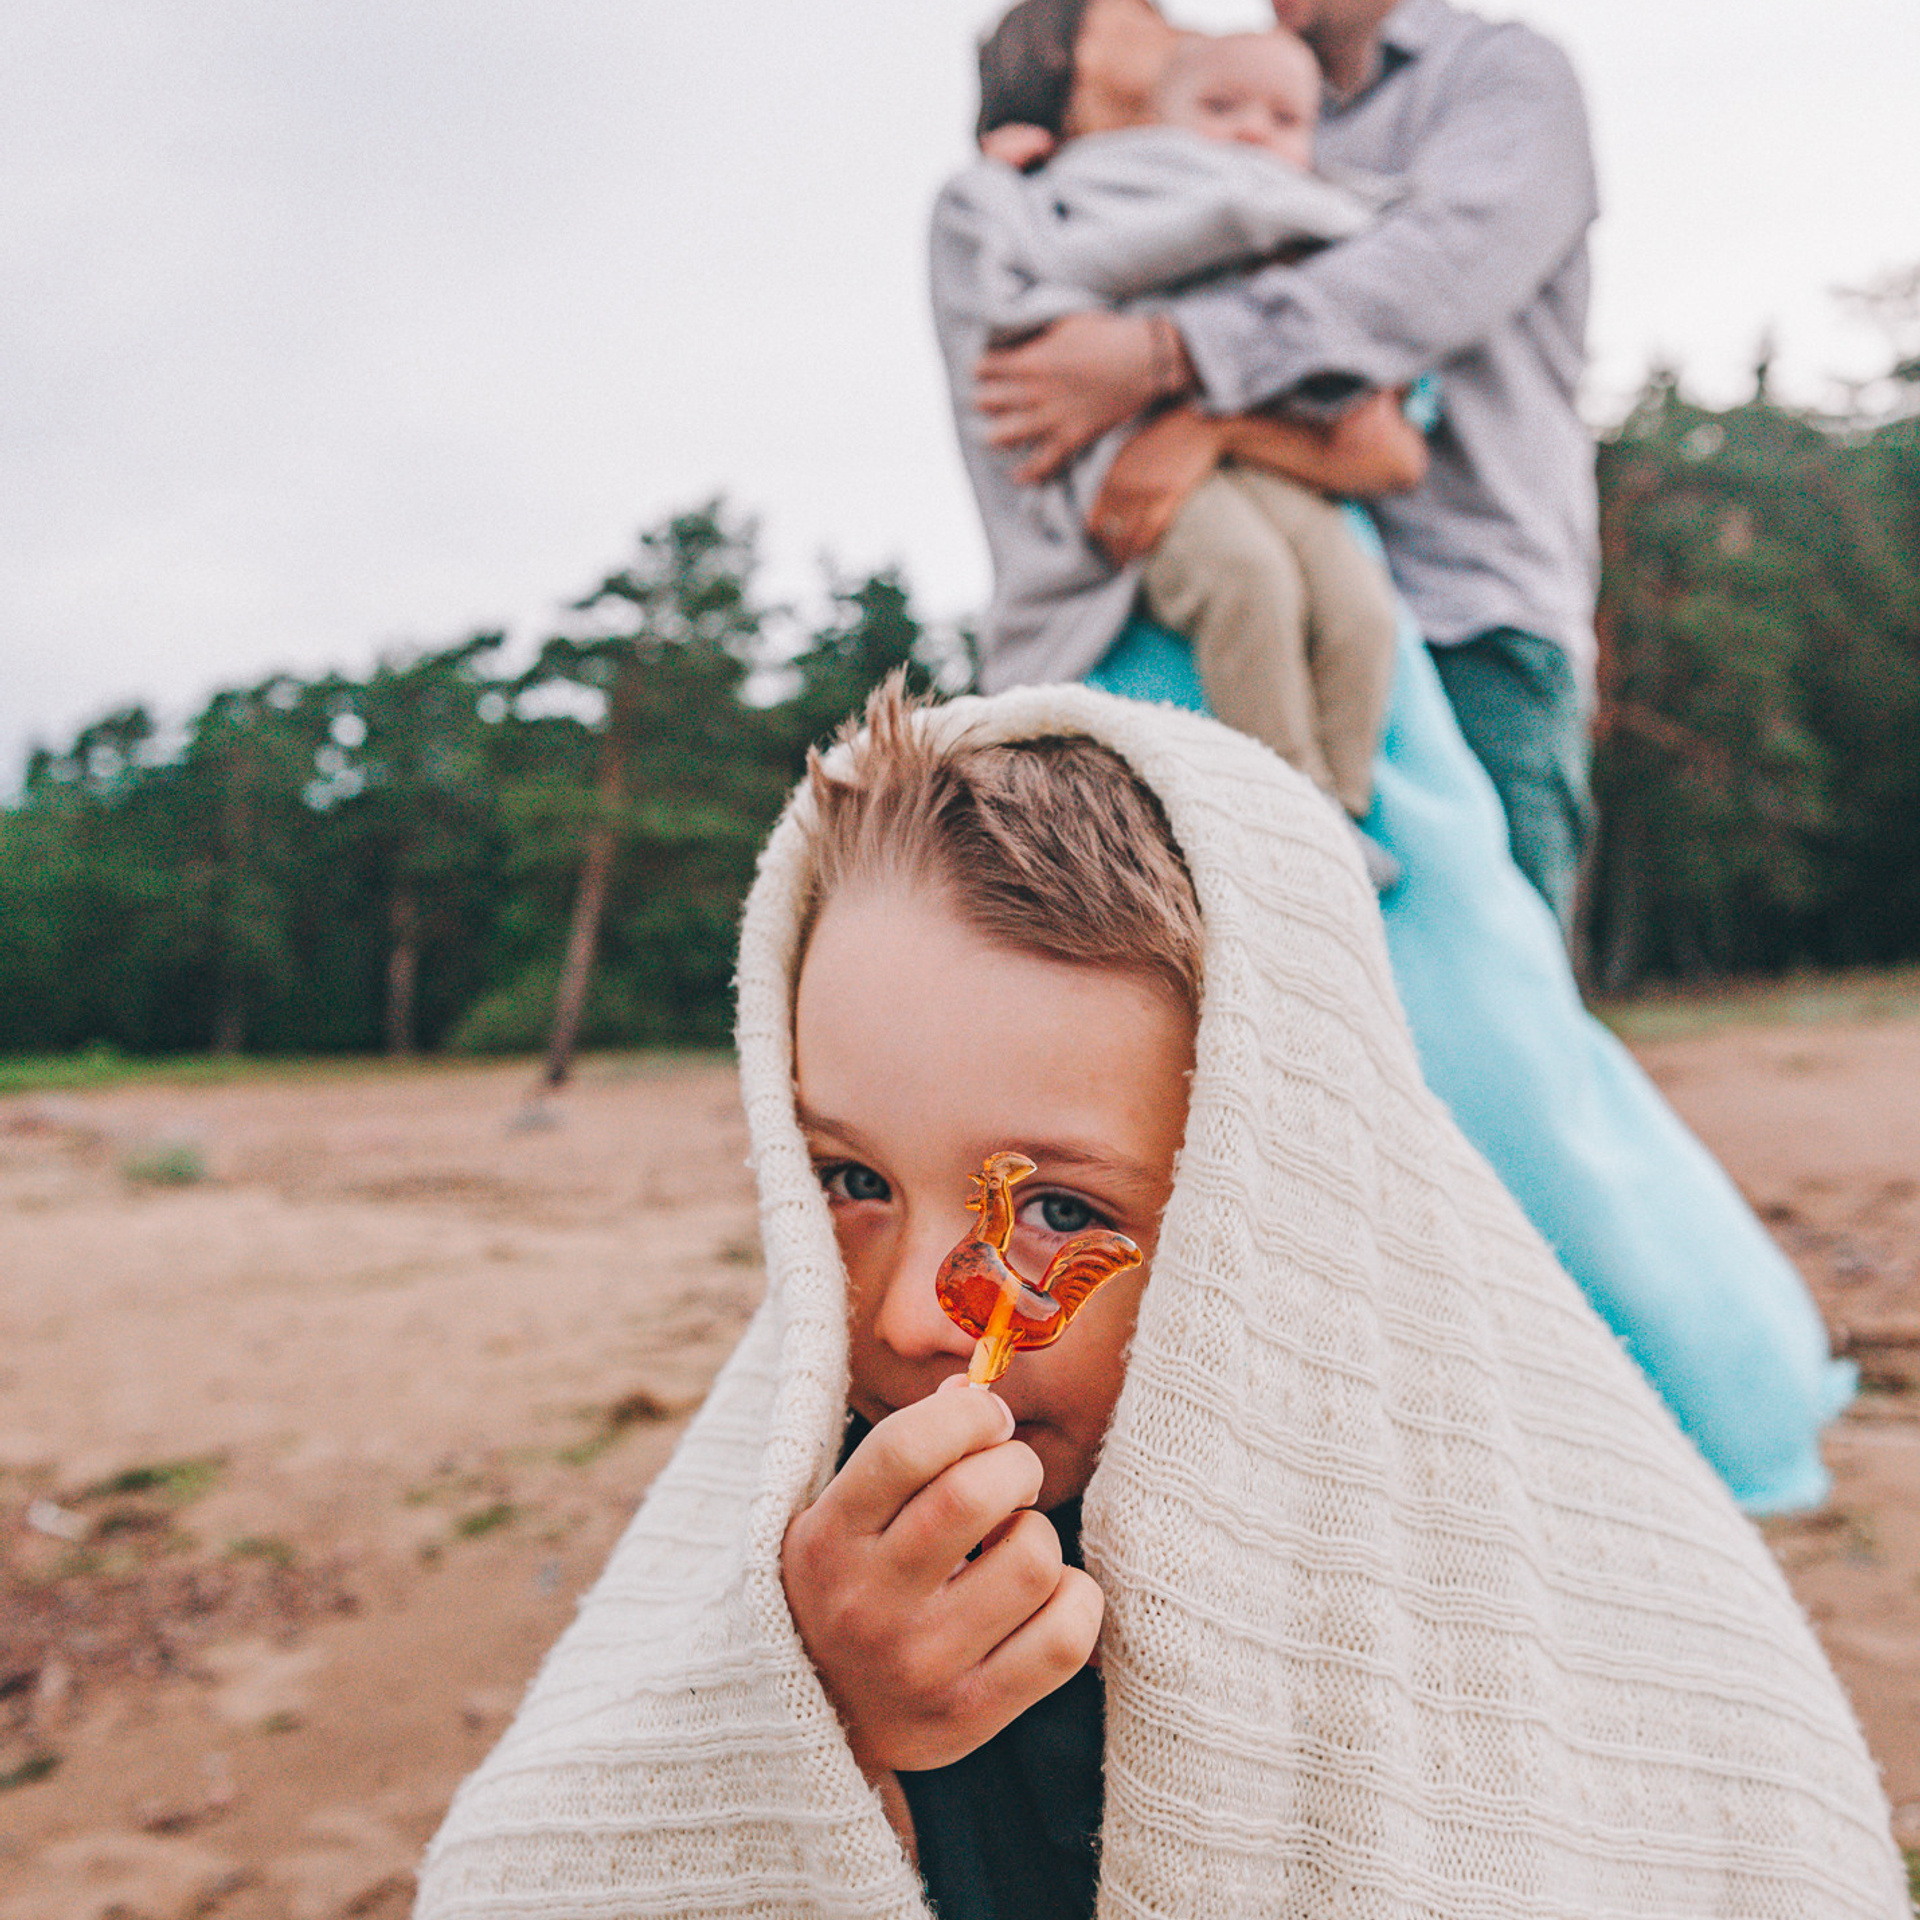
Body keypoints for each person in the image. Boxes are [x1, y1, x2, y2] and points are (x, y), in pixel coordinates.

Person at [413, 679, 1904, 1918]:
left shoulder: (1587, 1609)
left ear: (1283, 1202)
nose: (920, 1319)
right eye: (848, 1181)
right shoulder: (804, 1566)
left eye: (1058, 1211)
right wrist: (816, 1722)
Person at [973, 0, 1600, 932]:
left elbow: (1425, 276)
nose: (1258, 131)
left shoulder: (1499, 75)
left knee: (1486, 975)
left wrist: (1171, 368)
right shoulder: (1231, 100)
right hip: (1267, 601)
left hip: (1474, 611)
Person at [939, 10, 1424, 852]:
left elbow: (1382, 438)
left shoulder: (1271, 184)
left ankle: (1327, 823)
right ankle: (1303, 830)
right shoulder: (1005, 195)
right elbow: (1042, 372)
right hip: (1122, 641)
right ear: (1067, 54)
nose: (1174, 20)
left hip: (1341, 641)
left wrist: (1205, 423)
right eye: (1135, 9)